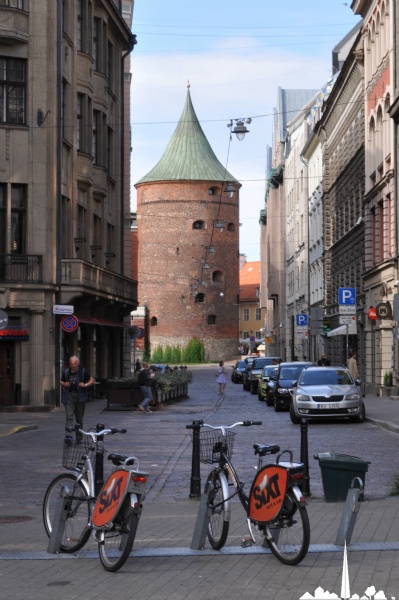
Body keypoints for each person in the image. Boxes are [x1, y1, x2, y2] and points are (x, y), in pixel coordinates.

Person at [60, 356, 94, 443]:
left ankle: (79, 438)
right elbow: (61, 381)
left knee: (79, 419)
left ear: (78, 364)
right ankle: (69, 436)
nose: (73, 365)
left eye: (74, 364)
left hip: (80, 397)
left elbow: (91, 380)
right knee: (69, 416)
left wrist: (85, 385)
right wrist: (65, 384)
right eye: (71, 364)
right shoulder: (67, 371)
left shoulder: (82, 371)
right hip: (69, 396)